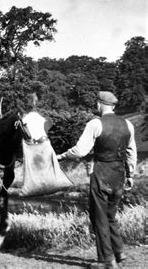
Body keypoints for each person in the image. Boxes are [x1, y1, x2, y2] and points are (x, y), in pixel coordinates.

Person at [56, 91, 137, 268]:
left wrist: (61, 156)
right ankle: (119, 252)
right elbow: (131, 153)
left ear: (100, 105)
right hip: (119, 174)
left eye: (96, 104)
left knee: (99, 216)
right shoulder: (128, 124)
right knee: (111, 215)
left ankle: (107, 261)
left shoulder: (95, 123)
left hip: (102, 172)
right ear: (113, 106)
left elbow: (80, 151)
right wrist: (130, 175)